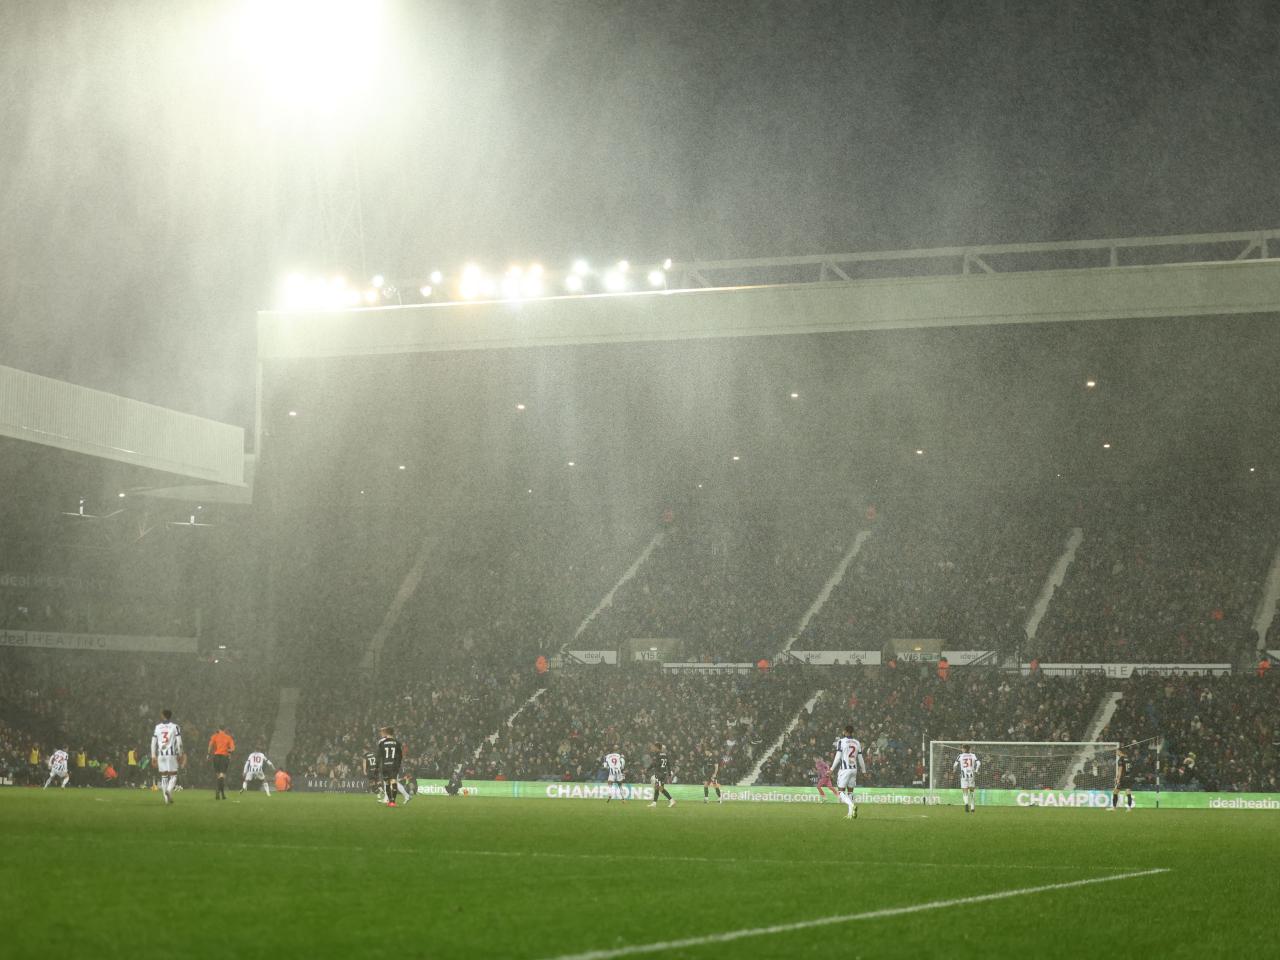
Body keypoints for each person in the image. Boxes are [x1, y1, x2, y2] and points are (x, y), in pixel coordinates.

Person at [150, 709, 185, 805]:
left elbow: (153, 743)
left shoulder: (157, 727)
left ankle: (166, 800)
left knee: (164, 776)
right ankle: (169, 790)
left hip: (161, 755)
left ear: (162, 716)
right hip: (171, 754)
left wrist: (153, 756)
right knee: (173, 775)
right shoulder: (175, 727)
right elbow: (179, 742)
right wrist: (181, 754)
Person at [832, 725, 866, 820]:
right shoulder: (857, 742)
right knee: (850, 792)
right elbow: (860, 758)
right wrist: (864, 771)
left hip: (845, 769)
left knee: (841, 792)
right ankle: (850, 814)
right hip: (854, 769)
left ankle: (852, 805)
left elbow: (838, 757)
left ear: (845, 731)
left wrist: (831, 769)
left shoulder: (841, 741)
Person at [376, 727, 410, 807]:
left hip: (386, 765)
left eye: (382, 732)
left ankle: (390, 799)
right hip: (394, 765)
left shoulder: (381, 742)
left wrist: (378, 766)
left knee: (388, 782)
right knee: (393, 781)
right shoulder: (397, 742)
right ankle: (391, 800)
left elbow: (379, 755)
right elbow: (400, 755)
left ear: (386, 733)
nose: (381, 733)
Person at [207, 727, 236, 800]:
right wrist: (228, 751)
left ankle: (221, 794)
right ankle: (219, 791)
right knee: (222, 776)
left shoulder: (215, 736)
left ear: (219, 729)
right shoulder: (228, 737)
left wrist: (208, 754)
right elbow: (232, 748)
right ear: (225, 730)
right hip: (224, 757)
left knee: (218, 776)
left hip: (216, 757)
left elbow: (210, 745)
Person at [953, 744, 981, 813]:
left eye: (962, 748)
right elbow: (979, 763)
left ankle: (966, 804)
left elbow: (955, 765)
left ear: (965, 749)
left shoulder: (960, 756)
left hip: (963, 775)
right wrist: (976, 770)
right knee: (972, 791)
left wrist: (954, 770)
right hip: (971, 775)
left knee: (965, 791)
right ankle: (972, 808)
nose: (961, 749)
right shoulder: (973, 755)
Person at [647, 742, 675, 808]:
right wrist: (669, 774)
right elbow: (668, 764)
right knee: (657, 787)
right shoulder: (665, 754)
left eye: (654, 747)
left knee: (660, 788)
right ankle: (654, 803)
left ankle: (671, 800)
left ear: (657, 748)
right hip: (663, 773)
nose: (653, 748)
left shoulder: (657, 755)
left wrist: (647, 769)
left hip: (659, 773)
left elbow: (654, 764)